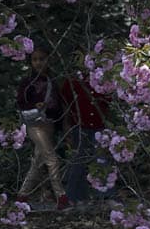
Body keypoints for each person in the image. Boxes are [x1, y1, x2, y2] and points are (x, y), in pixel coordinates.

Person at [17, 42, 69, 210]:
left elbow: (59, 104)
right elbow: (20, 102)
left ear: (48, 60)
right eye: (35, 60)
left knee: (38, 161)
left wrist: (61, 124)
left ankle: (22, 195)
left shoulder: (52, 81)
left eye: (42, 59)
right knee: (52, 159)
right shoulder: (28, 81)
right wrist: (35, 105)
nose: (38, 62)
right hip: (34, 124)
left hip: (49, 124)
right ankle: (61, 196)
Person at [59, 71, 112, 203]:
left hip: (99, 125)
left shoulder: (102, 76)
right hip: (79, 126)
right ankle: (75, 197)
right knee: (78, 160)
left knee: (101, 159)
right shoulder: (72, 81)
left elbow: (107, 102)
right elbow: (65, 104)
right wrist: (67, 127)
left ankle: (105, 196)